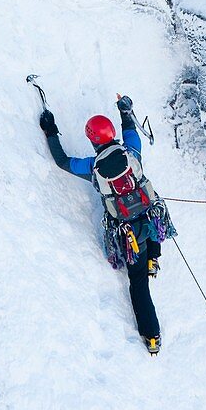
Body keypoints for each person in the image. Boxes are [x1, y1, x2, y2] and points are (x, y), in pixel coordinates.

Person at [38, 94, 175, 354]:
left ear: (92, 140)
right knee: (153, 217)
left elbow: (63, 162)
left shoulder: (94, 168)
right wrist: (125, 110)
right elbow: (131, 130)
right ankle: (153, 259)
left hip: (127, 232)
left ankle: (152, 335)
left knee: (138, 284)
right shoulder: (131, 153)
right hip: (149, 218)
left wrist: (51, 129)